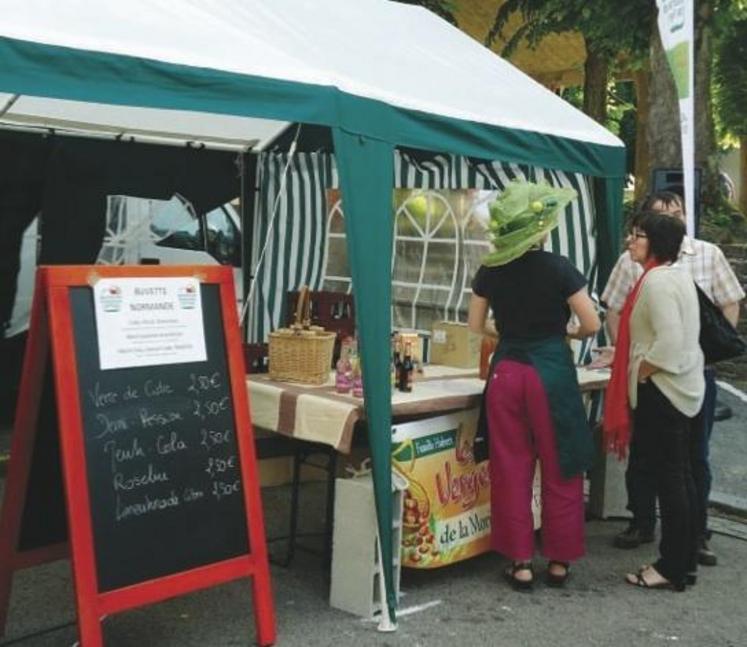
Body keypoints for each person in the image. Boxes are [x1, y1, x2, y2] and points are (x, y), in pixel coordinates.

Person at [468, 180, 600, 591]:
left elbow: (476, 327)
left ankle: (521, 562)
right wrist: (566, 333)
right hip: (551, 372)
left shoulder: (490, 269)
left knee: (510, 467)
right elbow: (592, 323)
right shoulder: (560, 268)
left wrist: (507, 332)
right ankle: (559, 561)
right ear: (540, 228)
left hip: (506, 370)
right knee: (561, 465)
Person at [600, 191, 744, 565]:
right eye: (663, 214)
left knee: (686, 462)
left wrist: (640, 367)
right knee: (656, 461)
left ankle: (688, 542)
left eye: (677, 213)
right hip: (675, 376)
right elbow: (612, 309)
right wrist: (627, 356)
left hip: (674, 380)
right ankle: (647, 523)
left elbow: (673, 341)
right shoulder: (645, 267)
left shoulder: (680, 269)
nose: (673, 219)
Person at [603, 211, 704, 590]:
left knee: (671, 480)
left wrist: (641, 371)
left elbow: (669, 343)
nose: (631, 241)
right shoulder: (675, 277)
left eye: (639, 236)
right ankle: (684, 560)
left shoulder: (658, 283)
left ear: (657, 244)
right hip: (682, 389)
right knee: (682, 477)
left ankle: (672, 566)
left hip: (663, 391)